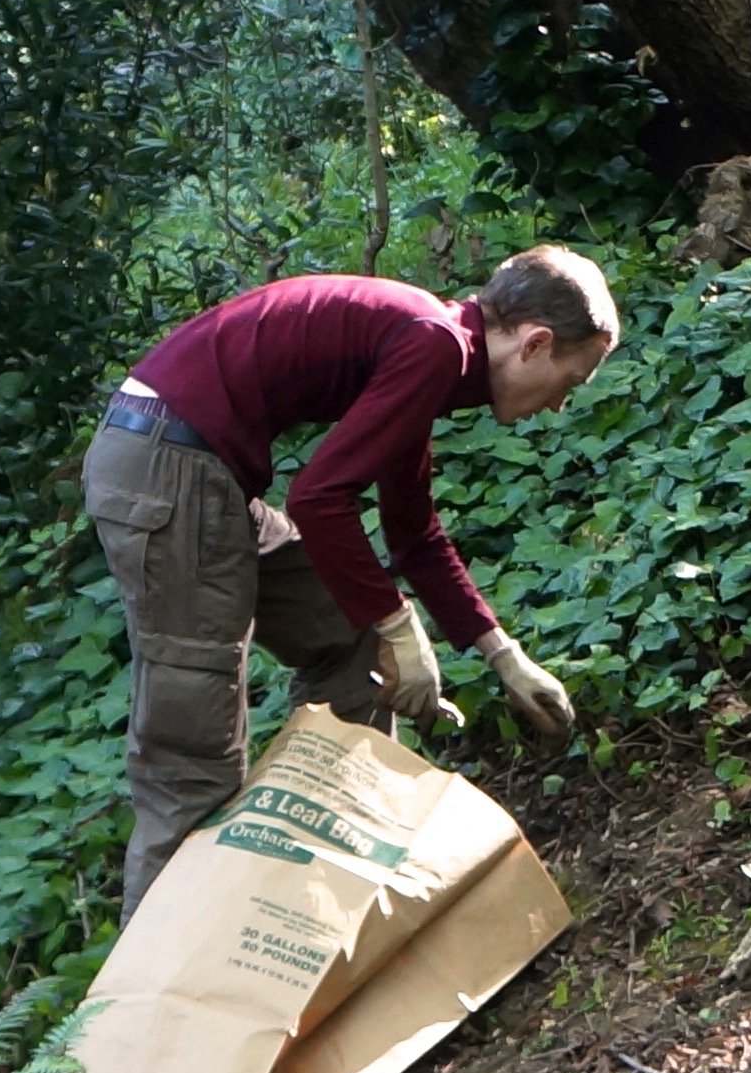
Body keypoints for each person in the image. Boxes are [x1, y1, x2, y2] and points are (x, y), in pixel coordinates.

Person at [88, 248, 619, 915]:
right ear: (535, 342)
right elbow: (319, 499)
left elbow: (414, 531)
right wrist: (402, 628)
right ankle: (160, 991)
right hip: (166, 465)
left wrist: (503, 658)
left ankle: (318, 898)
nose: (561, 403)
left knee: (351, 643)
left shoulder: (435, 349)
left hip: (200, 469)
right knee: (192, 758)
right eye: (571, 378)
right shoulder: (433, 344)